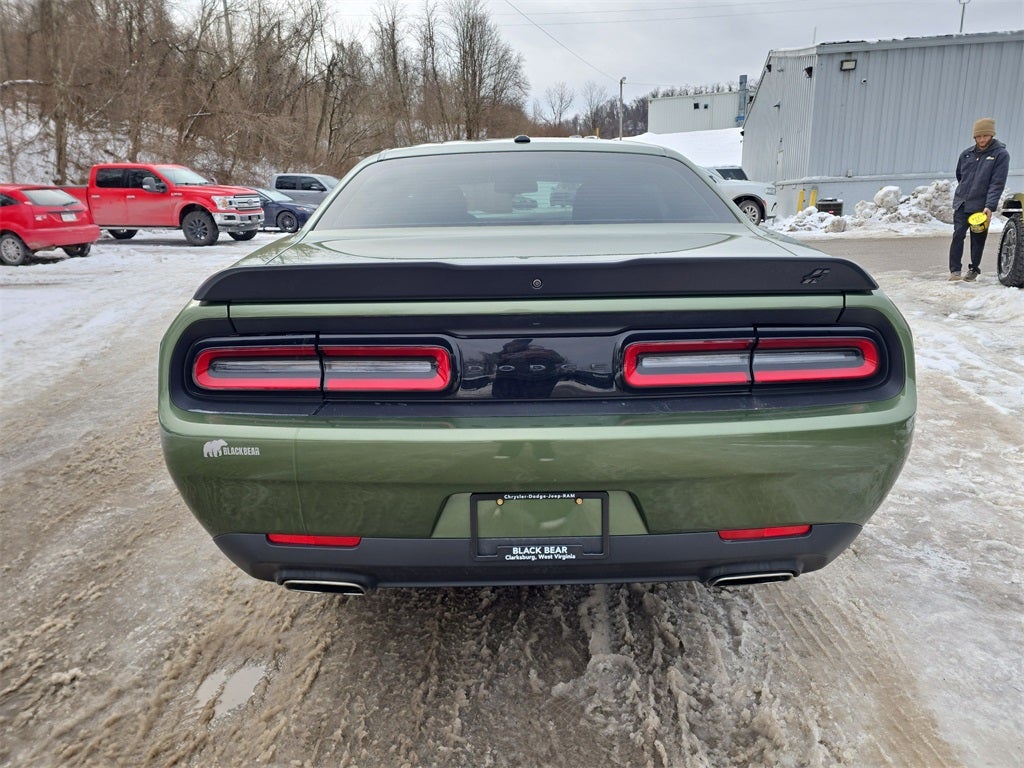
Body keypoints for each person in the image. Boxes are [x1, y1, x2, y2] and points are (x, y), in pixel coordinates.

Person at [948, 117, 1010, 282]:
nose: (982, 139)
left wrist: (989, 206)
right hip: (962, 203)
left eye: (986, 136)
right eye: (979, 136)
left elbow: (997, 183)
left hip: (981, 207)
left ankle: (973, 269)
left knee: (977, 240)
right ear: (974, 137)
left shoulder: (1000, 155)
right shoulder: (966, 154)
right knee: (957, 235)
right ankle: (954, 271)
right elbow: (959, 175)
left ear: (991, 135)